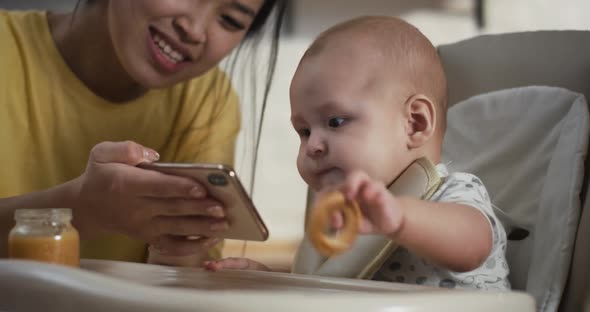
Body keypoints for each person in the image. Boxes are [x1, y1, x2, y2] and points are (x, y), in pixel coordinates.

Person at [205, 16, 511, 290]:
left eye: (336, 122)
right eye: (304, 131)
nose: (312, 145)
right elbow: (328, 288)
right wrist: (271, 280)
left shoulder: (452, 193)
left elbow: (474, 246)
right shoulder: (341, 218)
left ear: (414, 123)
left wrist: (401, 219)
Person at [0, 0, 285, 263]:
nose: (194, 30)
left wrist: (181, 249)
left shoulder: (209, 100)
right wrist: (81, 210)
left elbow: (186, 284)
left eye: (230, 20)